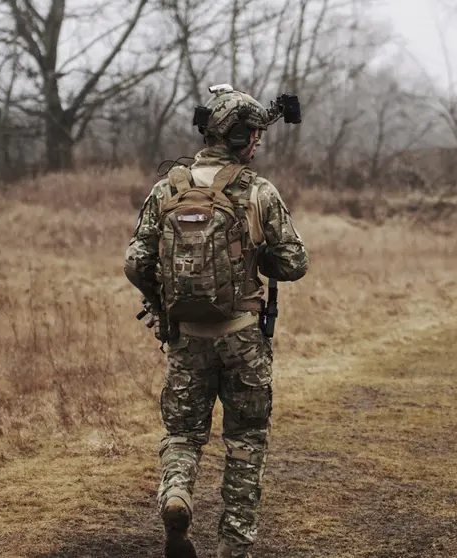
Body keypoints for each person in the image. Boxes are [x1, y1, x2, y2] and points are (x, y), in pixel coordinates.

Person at [123, 85, 309, 558]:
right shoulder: (257, 191)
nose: (258, 145)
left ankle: (177, 494)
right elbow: (294, 263)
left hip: (186, 339)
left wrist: (161, 303)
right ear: (243, 137)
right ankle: (232, 546)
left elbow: (135, 261)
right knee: (245, 441)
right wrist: (257, 254)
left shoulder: (169, 187)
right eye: (256, 137)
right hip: (243, 338)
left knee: (184, 433)